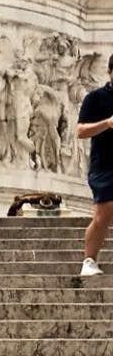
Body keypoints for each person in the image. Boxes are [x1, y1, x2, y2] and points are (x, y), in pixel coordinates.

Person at [76, 52, 113, 276]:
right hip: (104, 164)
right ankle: (89, 260)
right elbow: (80, 131)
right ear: (110, 71)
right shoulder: (95, 98)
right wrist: (107, 123)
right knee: (104, 211)